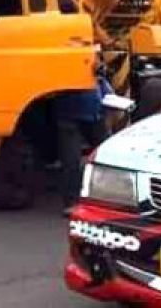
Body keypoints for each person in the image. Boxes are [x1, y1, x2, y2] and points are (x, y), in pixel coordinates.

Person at [57, 72, 113, 215]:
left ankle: (72, 202)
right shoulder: (83, 60)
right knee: (103, 155)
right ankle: (106, 197)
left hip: (73, 111)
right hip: (85, 111)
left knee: (72, 159)